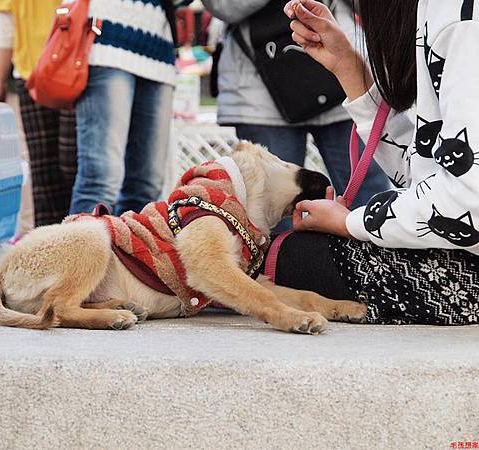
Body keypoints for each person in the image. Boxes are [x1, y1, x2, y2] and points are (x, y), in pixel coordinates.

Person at [265, 0, 479, 325]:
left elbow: (468, 201)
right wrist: (348, 67)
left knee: (291, 258)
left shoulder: (460, 20)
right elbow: (430, 171)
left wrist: (350, 223)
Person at [202, 0, 389, 210]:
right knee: (274, 214)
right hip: (260, 99)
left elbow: (381, 9)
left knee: (374, 203)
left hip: (343, 82)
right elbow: (222, 5)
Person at [69, 0, 189, 216]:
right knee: (100, 181)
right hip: (106, 37)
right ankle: (81, 249)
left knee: (147, 185)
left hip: (158, 50)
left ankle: (127, 250)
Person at [0, 0, 77, 227]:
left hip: (76, 70)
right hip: (32, 74)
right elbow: (5, 21)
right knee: (43, 174)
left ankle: (79, 240)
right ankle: (48, 251)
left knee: (73, 165)